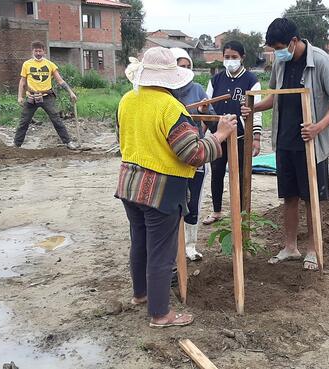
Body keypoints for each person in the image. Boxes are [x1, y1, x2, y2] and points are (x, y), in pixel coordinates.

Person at [115, 47, 237, 328]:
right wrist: (220, 134)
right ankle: (160, 314)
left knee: (141, 243)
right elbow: (192, 154)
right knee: (162, 251)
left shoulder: (127, 100)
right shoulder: (170, 108)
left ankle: (141, 295)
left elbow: (123, 136)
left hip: (129, 184)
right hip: (160, 189)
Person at [247, 18, 329, 271]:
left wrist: (318, 127)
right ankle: (290, 247)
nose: (275, 52)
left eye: (279, 46)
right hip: (285, 141)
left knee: (311, 198)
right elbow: (275, 97)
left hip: (312, 143)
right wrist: (253, 107)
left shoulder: (321, 61)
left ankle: (313, 248)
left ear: (293, 41)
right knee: (289, 196)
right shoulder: (280, 62)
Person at [201, 40, 264, 226]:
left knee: (242, 174)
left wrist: (256, 138)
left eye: (234, 57)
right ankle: (217, 211)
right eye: (227, 57)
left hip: (241, 136)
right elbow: (207, 107)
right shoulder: (216, 80)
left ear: (242, 58)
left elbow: (256, 110)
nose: (230, 60)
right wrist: (202, 131)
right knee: (217, 172)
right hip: (218, 135)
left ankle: (243, 213)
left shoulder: (251, 81)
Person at [170, 47, 214, 261]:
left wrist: (205, 112)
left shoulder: (197, 89)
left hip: (195, 154)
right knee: (173, 201)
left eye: (188, 66)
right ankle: (173, 244)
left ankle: (190, 245)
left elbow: (212, 121)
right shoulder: (165, 91)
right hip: (170, 157)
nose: (184, 70)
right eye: (180, 66)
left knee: (193, 200)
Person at [15, 41, 78, 149]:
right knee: (24, 122)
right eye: (36, 51)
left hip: (47, 97)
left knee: (56, 120)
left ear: (44, 51)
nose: (38, 53)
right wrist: (20, 96)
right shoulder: (27, 64)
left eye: (40, 51)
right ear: (32, 51)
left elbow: (60, 80)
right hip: (31, 97)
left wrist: (71, 92)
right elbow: (22, 81)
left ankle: (68, 142)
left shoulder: (50, 65)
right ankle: (16, 145)